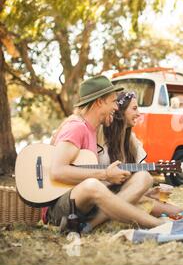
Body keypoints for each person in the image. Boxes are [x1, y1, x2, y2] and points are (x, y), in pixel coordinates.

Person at [47, 75, 165, 232]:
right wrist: (105, 174)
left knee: (144, 177)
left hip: (86, 206)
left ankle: (90, 225)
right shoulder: (76, 127)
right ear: (99, 102)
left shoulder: (92, 131)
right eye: (113, 102)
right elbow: (57, 171)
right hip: (60, 210)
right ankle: (159, 225)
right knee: (92, 185)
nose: (116, 108)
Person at [95, 90, 183, 229]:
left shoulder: (131, 142)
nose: (138, 113)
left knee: (178, 212)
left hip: (122, 195)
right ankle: (97, 221)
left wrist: (149, 192)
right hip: (100, 196)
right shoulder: (100, 134)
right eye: (134, 108)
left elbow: (132, 184)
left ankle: (110, 218)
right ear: (120, 111)